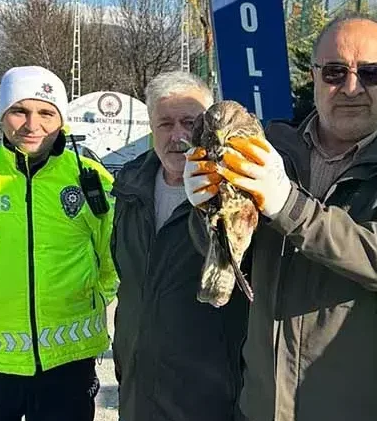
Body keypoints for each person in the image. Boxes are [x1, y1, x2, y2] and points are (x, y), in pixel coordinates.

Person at [184, 12, 377, 421]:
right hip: (263, 406)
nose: (351, 88)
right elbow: (229, 258)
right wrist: (208, 211)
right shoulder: (271, 149)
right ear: (314, 76)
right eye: (335, 72)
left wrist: (287, 204)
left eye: (371, 73)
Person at [0, 66, 117, 421]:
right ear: (1, 114)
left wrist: (92, 296)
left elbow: (112, 257)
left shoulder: (92, 179)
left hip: (68, 361)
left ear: (62, 120)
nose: (32, 125)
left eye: (46, 113)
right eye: (19, 111)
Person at [110, 71, 249, 421]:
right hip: (138, 392)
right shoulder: (129, 186)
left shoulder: (235, 194)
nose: (178, 136)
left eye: (190, 122)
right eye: (165, 124)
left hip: (209, 398)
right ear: (151, 127)